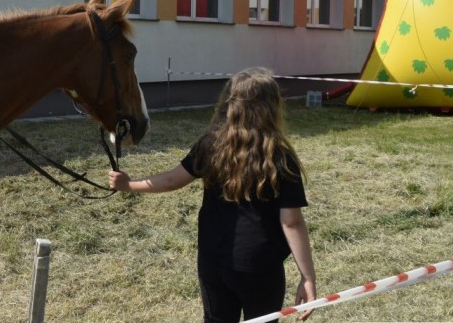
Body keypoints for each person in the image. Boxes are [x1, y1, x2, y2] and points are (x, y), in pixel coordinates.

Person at [109, 67, 317, 322]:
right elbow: (292, 222)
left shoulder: (211, 144)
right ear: (273, 106)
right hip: (260, 269)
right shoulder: (282, 157)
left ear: (228, 104)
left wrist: (130, 185)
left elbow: (172, 180)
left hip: (214, 261)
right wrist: (308, 277)